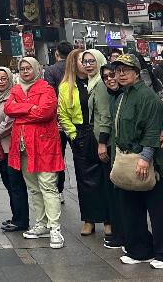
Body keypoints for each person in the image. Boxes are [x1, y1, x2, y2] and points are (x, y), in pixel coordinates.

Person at [111, 54, 163, 269]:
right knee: (131, 207)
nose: (121, 74)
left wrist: (145, 157)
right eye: (118, 70)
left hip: (151, 162)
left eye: (126, 69)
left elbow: (153, 128)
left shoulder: (146, 96)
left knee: (159, 209)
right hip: (127, 159)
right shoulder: (123, 95)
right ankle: (139, 250)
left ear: (137, 72)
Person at [5, 57, 65, 249]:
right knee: (33, 188)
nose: (25, 71)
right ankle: (41, 223)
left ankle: (55, 228)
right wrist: (30, 108)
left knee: (48, 186)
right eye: (22, 68)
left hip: (44, 146)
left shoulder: (47, 88)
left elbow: (46, 113)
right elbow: (8, 109)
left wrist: (21, 114)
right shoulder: (15, 89)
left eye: (28, 68)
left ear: (37, 69)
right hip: (23, 148)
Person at [58, 49, 110, 236]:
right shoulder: (65, 86)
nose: (86, 64)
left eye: (89, 60)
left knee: (105, 177)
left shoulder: (98, 81)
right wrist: (73, 136)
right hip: (80, 135)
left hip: (100, 133)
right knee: (85, 180)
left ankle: (108, 219)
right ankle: (89, 219)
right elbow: (62, 114)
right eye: (82, 61)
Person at [0, 67, 29, 233]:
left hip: (11, 147)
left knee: (16, 185)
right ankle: (16, 216)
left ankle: (21, 220)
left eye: (4, 78)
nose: (0, 82)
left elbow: (9, 123)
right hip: (0, 150)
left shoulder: (13, 97)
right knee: (9, 184)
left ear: (10, 79)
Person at [99, 63, 126, 249]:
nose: (110, 79)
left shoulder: (127, 95)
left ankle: (126, 235)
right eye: (106, 77)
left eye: (112, 75)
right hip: (116, 151)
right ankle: (121, 233)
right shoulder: (112, 97)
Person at [43, 40, 73, 201]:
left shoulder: (51, 70)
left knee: (58, 155)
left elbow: (50, 97)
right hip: (77, 119)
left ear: (56, 53)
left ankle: (59, 190)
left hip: (58, 121)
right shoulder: (76, 68)